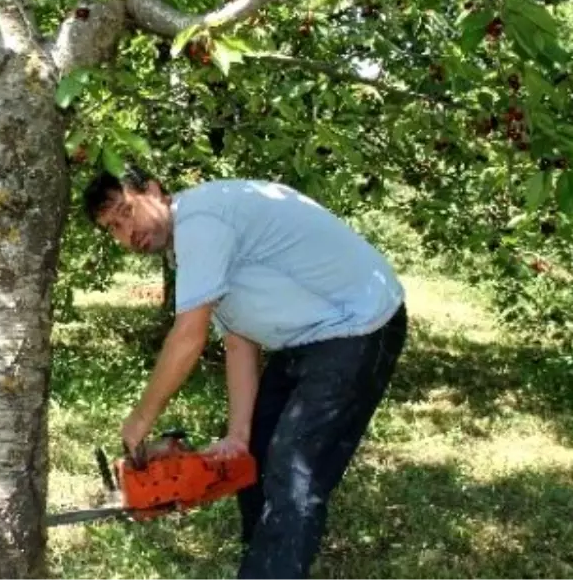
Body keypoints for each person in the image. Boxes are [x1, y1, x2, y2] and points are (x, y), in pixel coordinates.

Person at [83, 168, 408, 580]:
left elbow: (188, 337)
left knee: (293, 471)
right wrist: (239, 436)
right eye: (113, 227)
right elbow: (239, 340)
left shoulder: (201, 221)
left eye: (127, 212)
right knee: (252, 454)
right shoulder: (188, 246)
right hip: (309, 337)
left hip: (360, 324)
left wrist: (140, 421)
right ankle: (268, 564)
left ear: (154, 191)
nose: (127, 232)